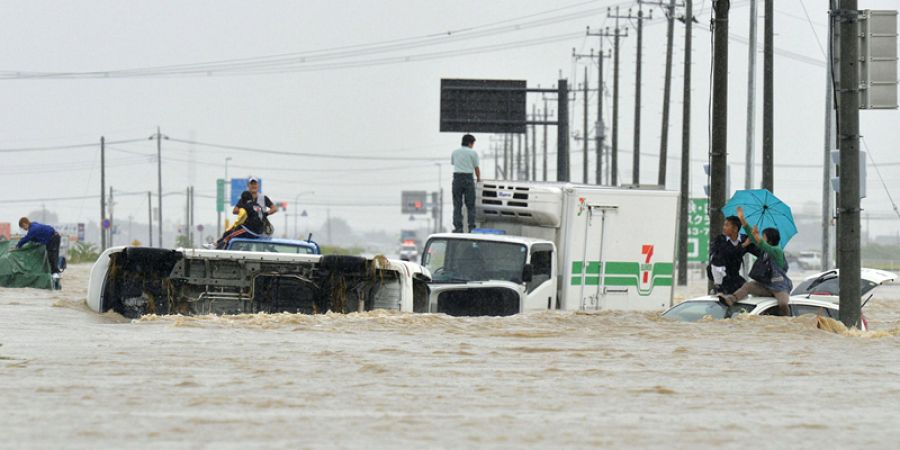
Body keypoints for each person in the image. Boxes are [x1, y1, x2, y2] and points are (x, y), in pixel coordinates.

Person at [720, 207, 793, 316]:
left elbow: (762, 243)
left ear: (769, 239)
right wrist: (743, 220)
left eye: (763, 237)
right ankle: (731, 299)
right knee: (748, 286)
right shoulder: (764, 251)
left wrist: (756, 236)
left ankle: (786, 320)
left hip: (779, 286)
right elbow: (753, 238)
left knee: (782, 303)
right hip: (766, 285)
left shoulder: (777, 251)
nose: (762, 239)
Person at [707, 215, 756, 295]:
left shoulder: (744, 239)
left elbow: (759, 252)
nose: (723, 227)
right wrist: (743, 245)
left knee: (748, 290)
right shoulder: (719, 240)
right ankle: (717, 290)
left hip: (735, 277)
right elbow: (725, 253)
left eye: (726, 225)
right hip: (721, 277)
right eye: (724, 225)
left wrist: (756, 239)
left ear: (735, 229)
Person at [451, 134, 481, 233]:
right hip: (468, 178)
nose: (473, 146)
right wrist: (479, 178)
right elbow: (476, 168)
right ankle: (471, 227)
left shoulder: (455, 152)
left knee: (457, 204)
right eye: (473, 144)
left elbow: (454, 163)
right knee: (470, 205)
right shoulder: (473, 153)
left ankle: (458, 227)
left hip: (457, 178)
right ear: (470, 143)